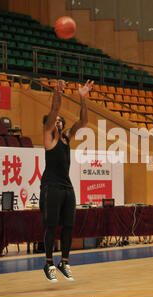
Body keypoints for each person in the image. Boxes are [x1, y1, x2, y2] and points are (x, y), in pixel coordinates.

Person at [40, 79, 94, 282]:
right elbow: (54, 109)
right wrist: (58, 92)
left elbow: (83, 122)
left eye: (61, 120)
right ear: (50, 123)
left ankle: (64, 261)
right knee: (51, 226)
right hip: (51, 185)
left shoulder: (66, 138)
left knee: (69, 226)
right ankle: (48, 263)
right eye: (56, 120)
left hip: (66, 186)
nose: (59, 122)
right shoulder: (49, 137)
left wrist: (82, 98)